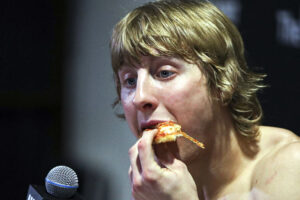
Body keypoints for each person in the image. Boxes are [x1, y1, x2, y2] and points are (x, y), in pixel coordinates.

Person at [109, 0, 300, 199]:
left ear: (223, 81)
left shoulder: (289, 165)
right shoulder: (154, 185)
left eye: (164, 73)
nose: (140, 98)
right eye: (130, 80)